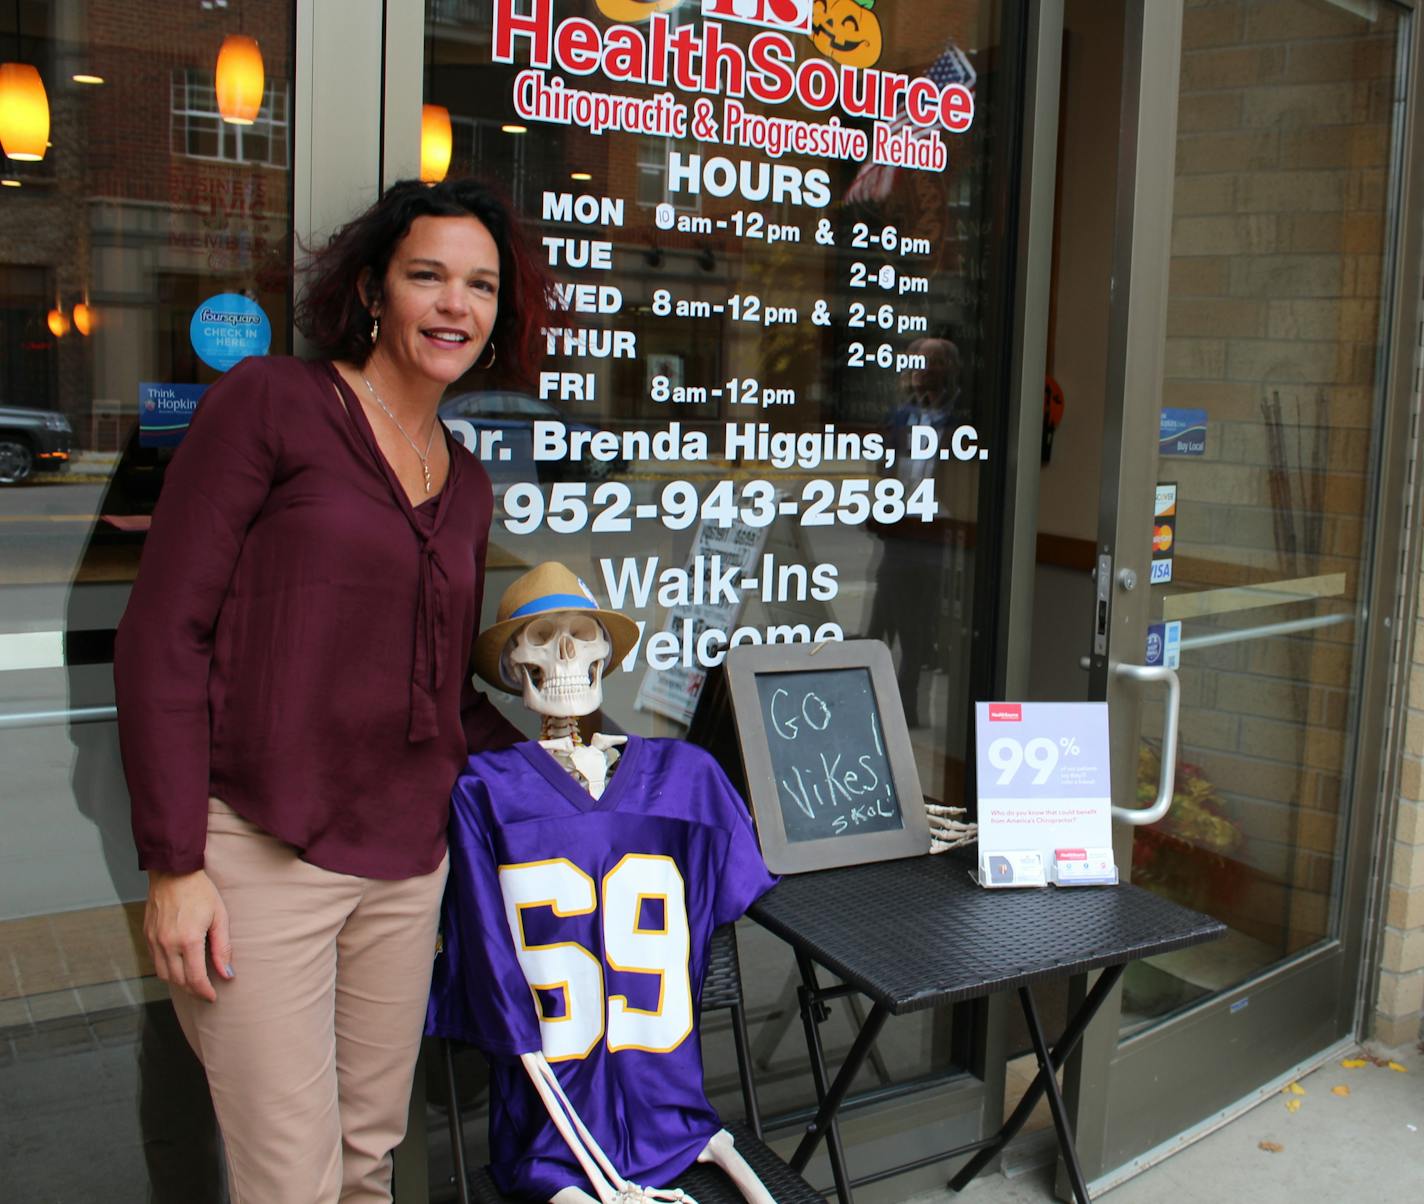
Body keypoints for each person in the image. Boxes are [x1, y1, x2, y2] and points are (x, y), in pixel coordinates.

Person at [113, 177, 549, 1204]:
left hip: (404, 867)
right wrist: (175, 864)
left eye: (480, 286)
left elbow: (441, 695)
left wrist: (581, 768)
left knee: (365, 1159)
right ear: (371, 291)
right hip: (259, 853)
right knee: (290, 1177)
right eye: (427, 276)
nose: (454, 305)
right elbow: (162, 634)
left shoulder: (467, 477)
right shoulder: (271, 402)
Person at [865, 336, 967, 725]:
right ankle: (892, 701)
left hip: (933, 532)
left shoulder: (960, 421)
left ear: (947, 371)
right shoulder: (900, 418)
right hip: (899, 528)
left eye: (931, 364)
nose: (919, 373)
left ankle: (904, 700)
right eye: (915, 365)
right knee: (885, 611)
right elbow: (884, 469)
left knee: (915, 621)